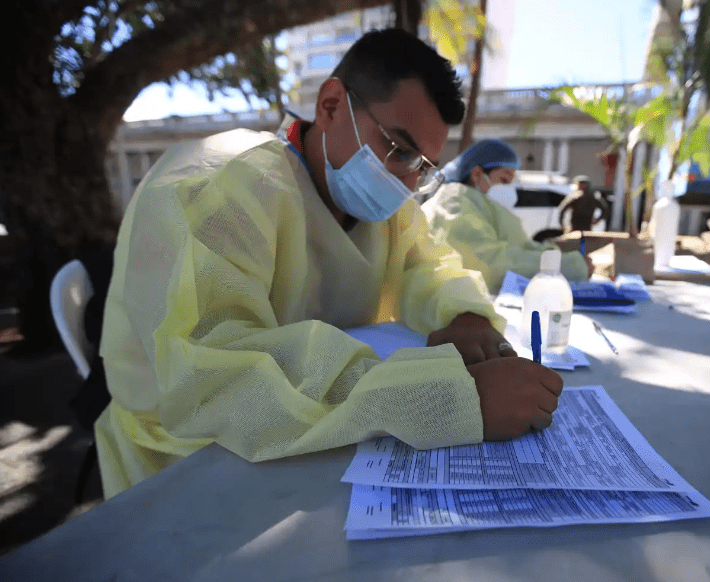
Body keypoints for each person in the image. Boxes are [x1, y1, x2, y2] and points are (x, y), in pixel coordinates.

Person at [95, 29, 563, 499]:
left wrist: (463, 315)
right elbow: (215, 378)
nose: (406, 182)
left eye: (422, 168)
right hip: (185, 461)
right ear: (331, 105)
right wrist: (445, 397)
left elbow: (431, 266)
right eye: (399, 150)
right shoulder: (219, 188)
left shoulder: (387, 212)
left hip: (313, 440)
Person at [421, 139, 592, 292]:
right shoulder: (453, 202)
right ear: (477, 174)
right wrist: (571, 266)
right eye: (504, 180)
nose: (509, 188)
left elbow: (519, 246)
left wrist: (558, 257)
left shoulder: (476, 204)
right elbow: (488, 265)